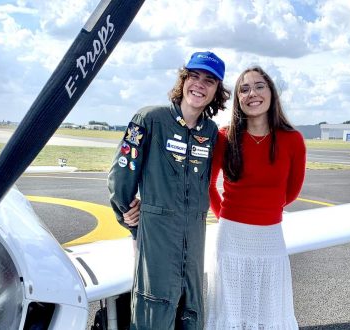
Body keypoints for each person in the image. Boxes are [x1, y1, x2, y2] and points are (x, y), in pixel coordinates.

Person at [108, 51, 231, 329]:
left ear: (216, 92)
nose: (200, 84)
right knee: (153, 311)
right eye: (194, 76)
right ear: (183, 80)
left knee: (191, 312)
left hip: (195, 237)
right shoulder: (150, 119)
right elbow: (121, 176)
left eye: (209, 81)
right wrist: (130, 216)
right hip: (158, 238)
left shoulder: (210, 131)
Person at [206, 66, 306, 329]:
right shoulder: (224, 137)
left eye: (259, 86)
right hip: (231, 237)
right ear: (238, 99)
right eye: (244, 88)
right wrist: (225, 216)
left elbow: (292, 190)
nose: (252, 93)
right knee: (231, 307)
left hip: (270, 236)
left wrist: (266, 211)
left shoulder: (292, 139)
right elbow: (207, 185)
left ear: (271, 93)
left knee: (269, 305)